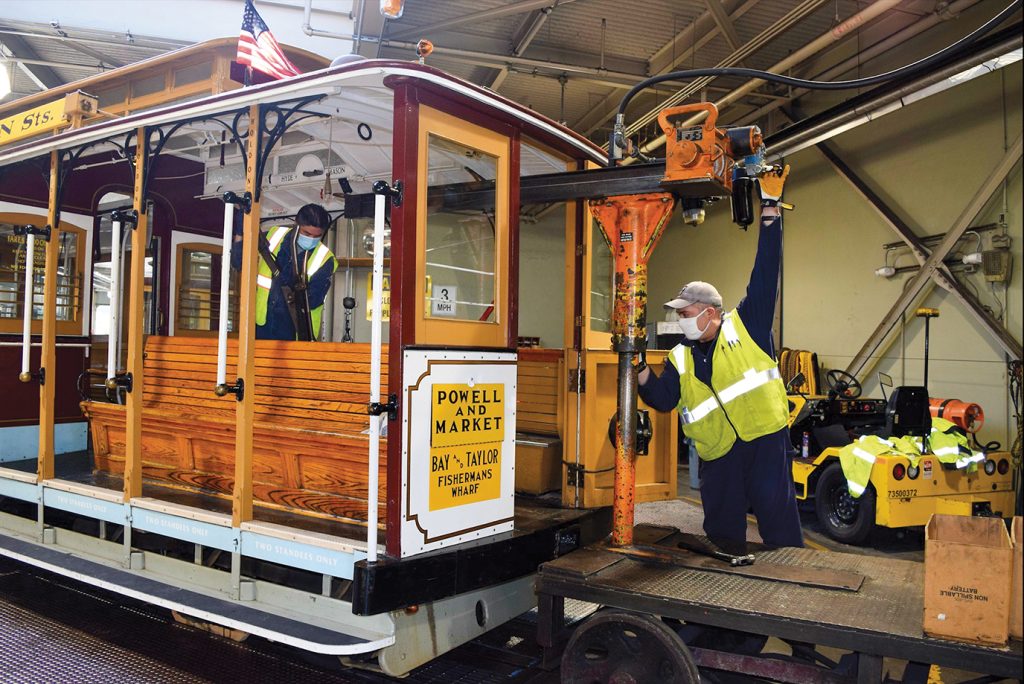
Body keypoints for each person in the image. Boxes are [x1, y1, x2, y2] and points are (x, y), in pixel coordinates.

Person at [637, 166, 803, 550]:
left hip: (764, 445)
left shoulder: (749, 326)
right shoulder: (679, 357)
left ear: (710, 312)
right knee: (724, 535)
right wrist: (640, 368)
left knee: (779, 528)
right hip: (718, 457)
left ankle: (797, 591)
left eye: (686, 312)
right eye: (679, 314)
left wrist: (771, 209)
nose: (681, 319)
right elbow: (663, 400)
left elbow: (766, 271)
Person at [232, 203, 338, 341]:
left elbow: (312, 300)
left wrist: (290, 279)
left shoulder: (325, 259)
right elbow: (238, 262)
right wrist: (240, 234)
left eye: (317, 236)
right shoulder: (272, 236)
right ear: (296, 224)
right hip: (261, 324)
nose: (311, 239)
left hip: (296, 331)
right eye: (307, 233)